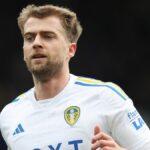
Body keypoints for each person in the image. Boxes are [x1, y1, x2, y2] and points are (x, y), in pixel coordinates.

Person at [0, 4, 150, 150]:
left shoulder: (105, 96)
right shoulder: (10, 114)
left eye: (48, 36)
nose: (37, 43)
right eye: (29, 38)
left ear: (70, 50)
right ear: (24, 51)